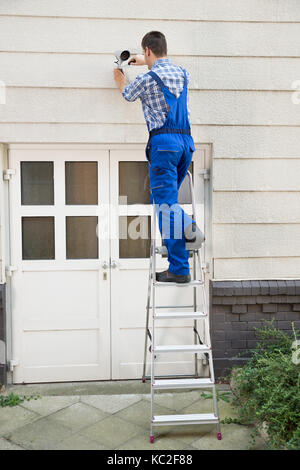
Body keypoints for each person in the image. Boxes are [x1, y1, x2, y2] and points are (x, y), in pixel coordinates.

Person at [114, 31, 202, 283]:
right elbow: (165, 70)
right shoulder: (183, 73)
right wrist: (147, 60)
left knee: (166, 205)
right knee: (165, 203)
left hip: (164, 144)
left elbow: (127, 94)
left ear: (148, 50)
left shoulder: (147, 79)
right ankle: (179, 266)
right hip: (186, 142)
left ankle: (189, 237)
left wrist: (119, 76)